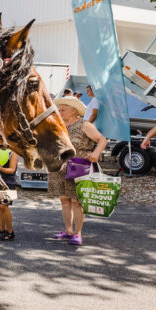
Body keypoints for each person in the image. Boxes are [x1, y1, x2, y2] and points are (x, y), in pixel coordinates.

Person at [47, 96, 108, 246]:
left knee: (76, 201)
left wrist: (96, 153)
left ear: (74, 111)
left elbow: (102, 140)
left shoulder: (84, 125)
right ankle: (68, 231)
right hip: (59, 166)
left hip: (78, 166)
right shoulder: (58, 125)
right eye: (59, 110)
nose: (60, 112)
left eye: (63, 110)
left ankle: (77, 233)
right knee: (64, 200)